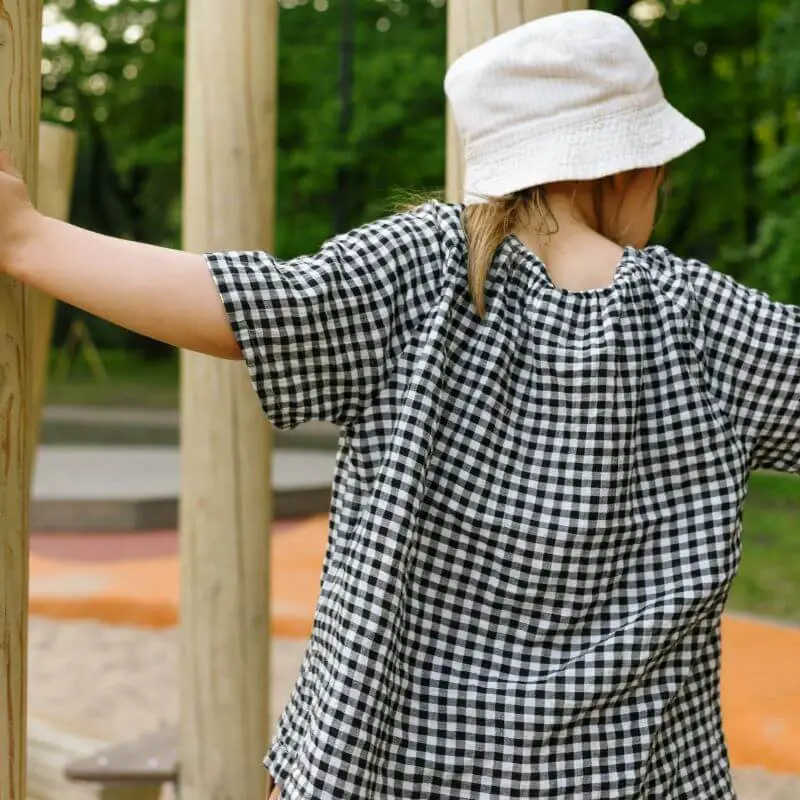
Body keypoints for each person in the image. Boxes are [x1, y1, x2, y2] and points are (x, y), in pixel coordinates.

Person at [1, 8, 798, 799]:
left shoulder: (424, 270)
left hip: (390, 770)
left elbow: (237, 305)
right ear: (624, 169)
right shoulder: (702, 320)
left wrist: (27, 238)